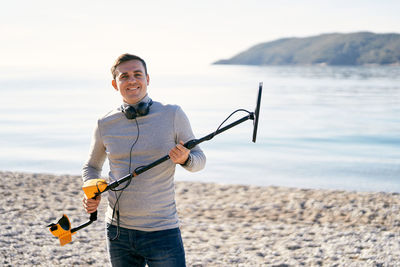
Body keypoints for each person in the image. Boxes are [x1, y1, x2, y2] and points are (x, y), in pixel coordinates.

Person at [81, 53, 206, 267]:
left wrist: (185, 159)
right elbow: (92, 166)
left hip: (162, 231)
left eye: (137, 74)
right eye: (124, 76)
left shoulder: (173, 114)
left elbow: (199, 159)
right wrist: (91, 189)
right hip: (117, 231)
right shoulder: (105, 123)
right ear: (115, 84)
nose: (131, 80)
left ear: (147, 79)